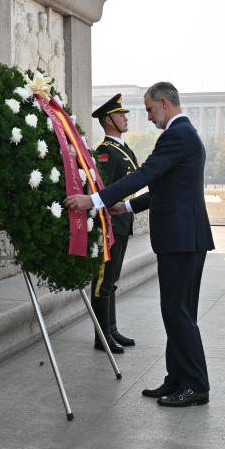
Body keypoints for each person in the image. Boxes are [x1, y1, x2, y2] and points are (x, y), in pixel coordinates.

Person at [66, 82, 214, 407]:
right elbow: (164, 186)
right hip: (183, 237)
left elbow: (146, 174)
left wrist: (93, 200)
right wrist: (128, 206)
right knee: (175, 311)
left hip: (182, 239)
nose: (147, 117)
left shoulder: (177, 135)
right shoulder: (183, 135)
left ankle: (195, 384)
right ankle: (176, 379)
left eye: (149, 109)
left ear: (164, 102)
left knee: (178, 313)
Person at [89, 94, 138, 354]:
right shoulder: (106, 151)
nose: (125, 118)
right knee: (103, 280)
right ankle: (102, 336)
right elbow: (103, 190)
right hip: (110, 223)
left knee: (113, 278)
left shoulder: (123, 148)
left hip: (123, 219)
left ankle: (112, 329)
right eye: (120, 115)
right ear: (108, 120)